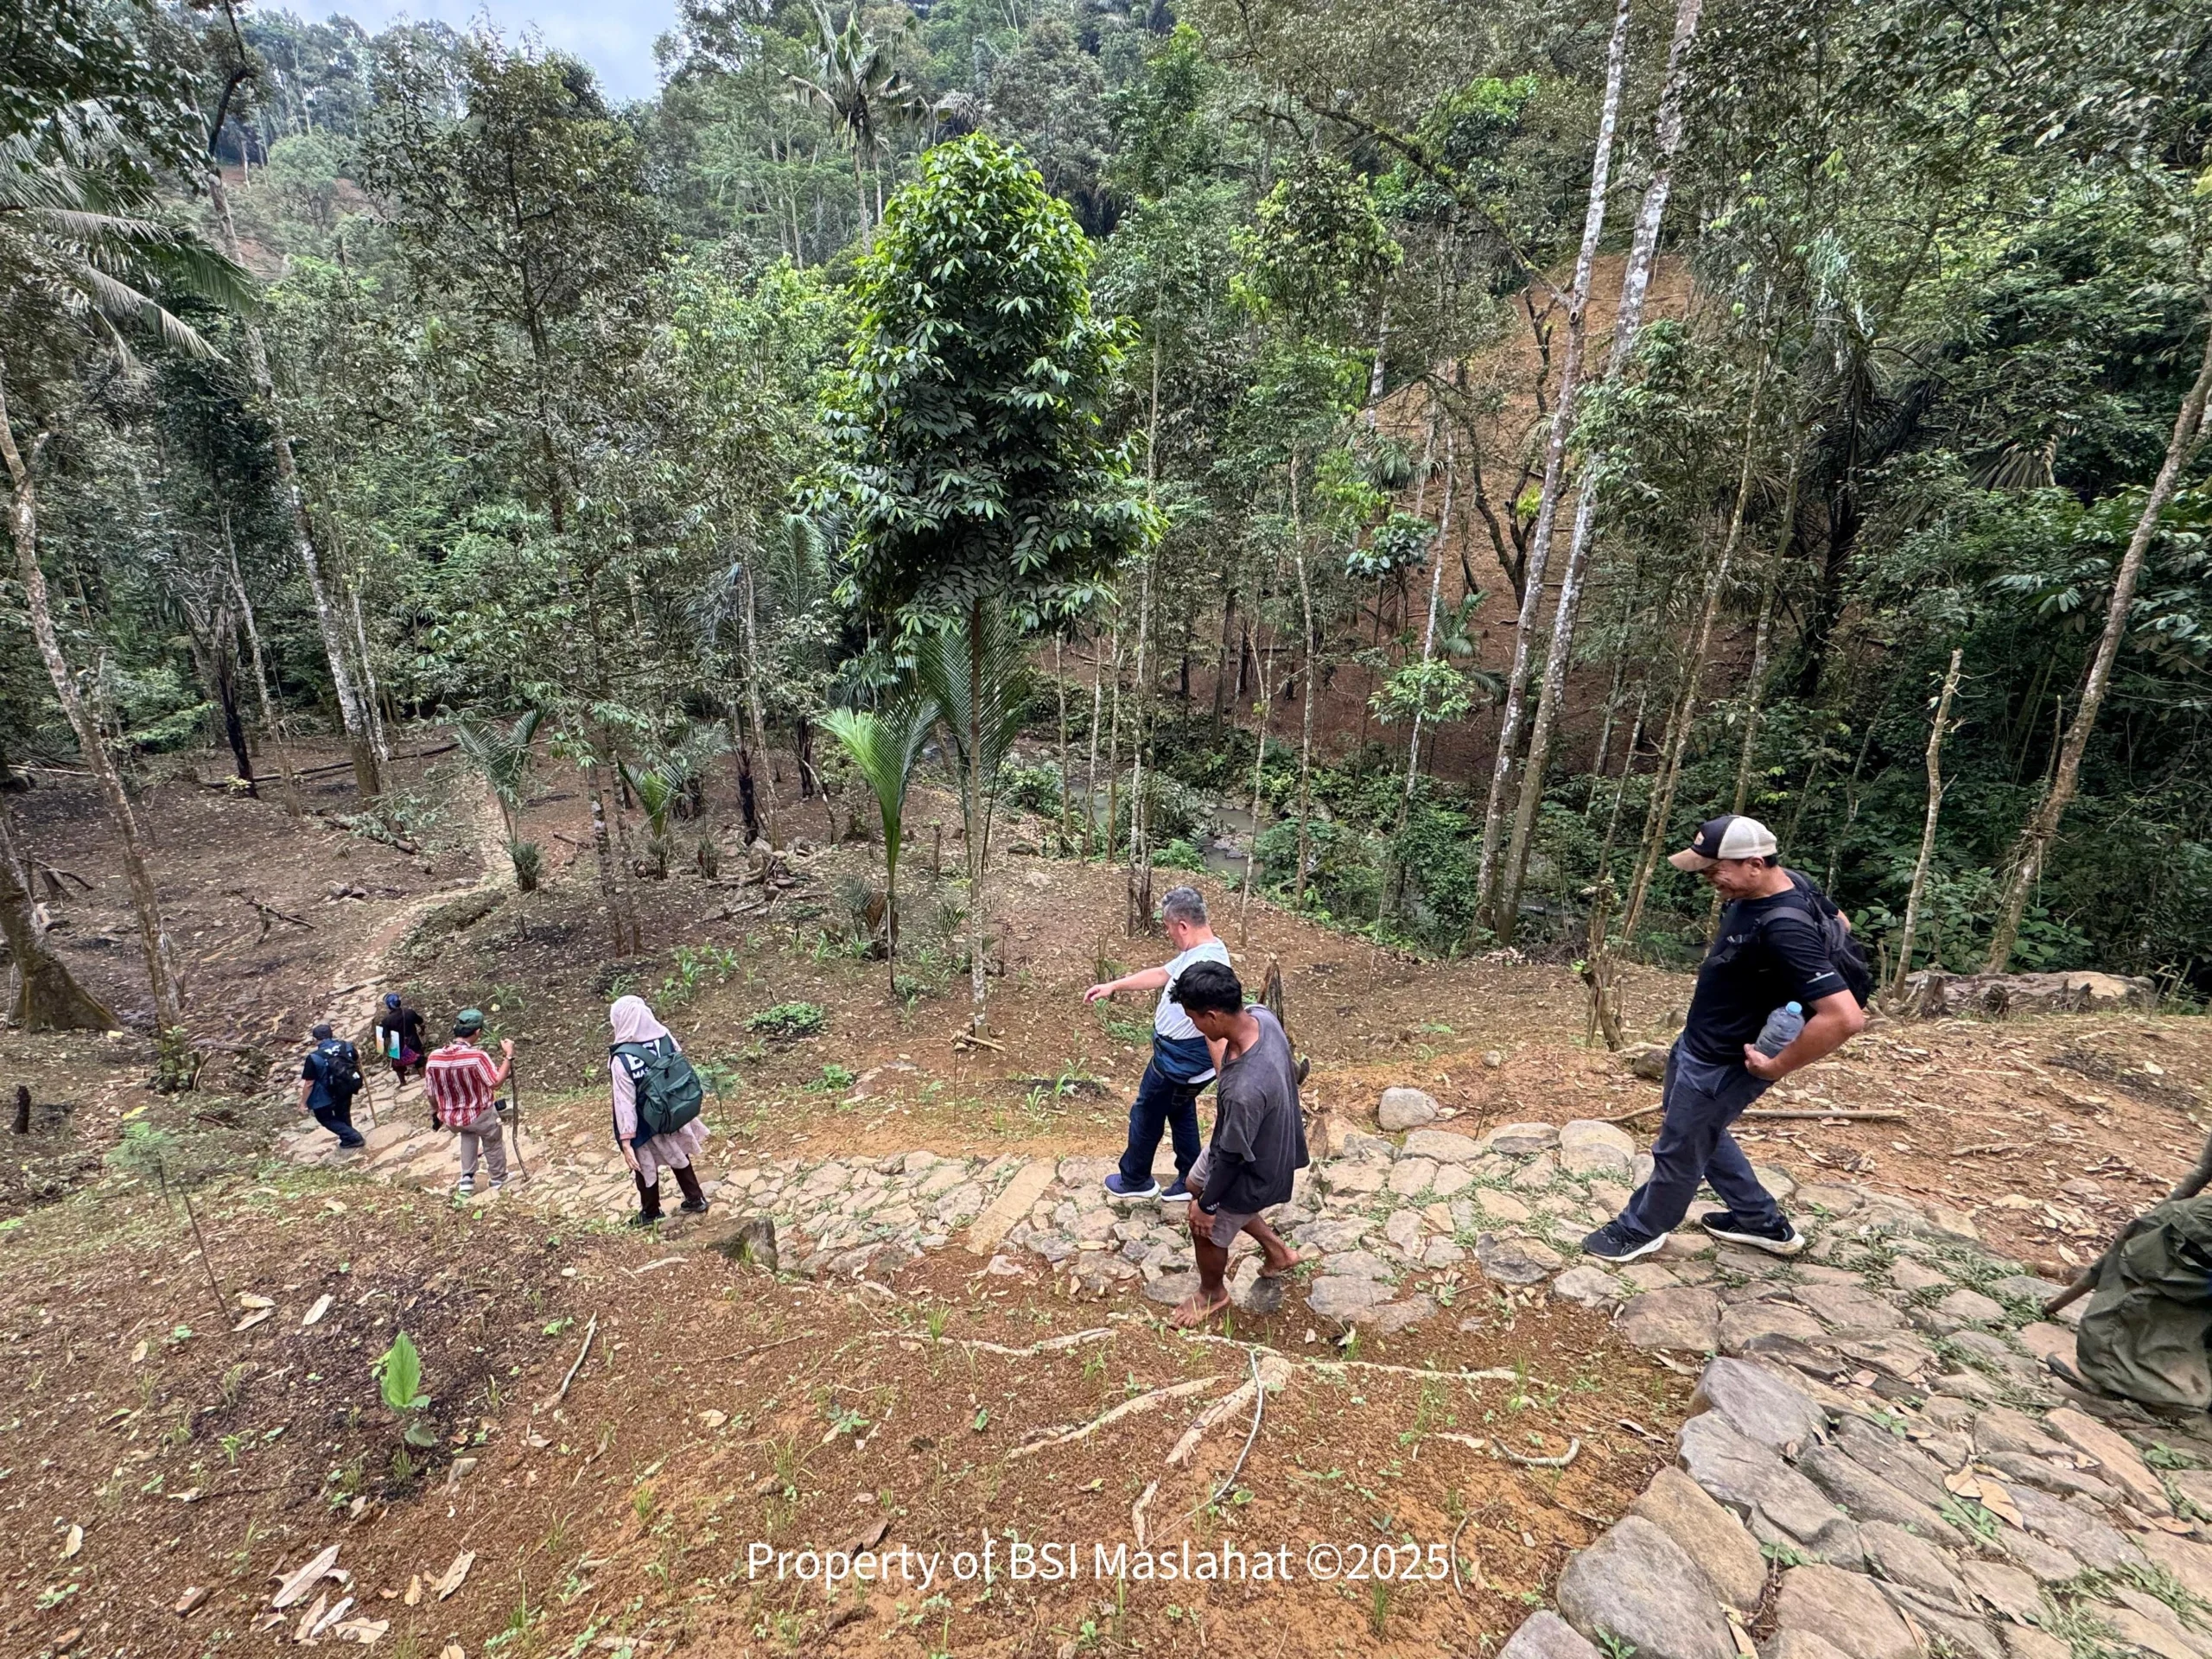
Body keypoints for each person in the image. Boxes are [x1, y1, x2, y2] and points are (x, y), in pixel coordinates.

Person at [1582, 815, 1868, 1264]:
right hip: (1700, 1041)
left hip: (1727, 1060)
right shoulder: (1789, 882)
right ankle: (1760, 1223)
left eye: (1716, 869)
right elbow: (1841, 924)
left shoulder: (1784, 927)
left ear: (1755, 863)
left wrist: (1777, 1064)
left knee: (1679, 1147)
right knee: (1696, 1130)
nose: (1708, 878)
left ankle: (1641, 1228)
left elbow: (1845, 1017)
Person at [1165, 961, 1308, 1326]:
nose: (1194, 1026)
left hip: (1251, 1162)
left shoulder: (1245, 1088)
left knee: (1203, 1223)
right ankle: (1279, 1253)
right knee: (1194, 1183)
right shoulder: (1262, 1018)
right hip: (1246, 1139)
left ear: (1212, 1016)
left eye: (1194, 1018)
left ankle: (1213, 1294)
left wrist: (1209, 1206)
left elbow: (1231, 1156)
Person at [1083, 886, 1230, 1203]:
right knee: (1180, 1111)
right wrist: (1114, 985)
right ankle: (1191, 1178)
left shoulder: (1205, 966)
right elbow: (1163, 973)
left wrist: (1226, 1085)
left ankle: (1135, 1178)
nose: (1168, 934)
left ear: (1183, 926)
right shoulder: (1203, 951)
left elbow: (1214, 1029)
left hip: (1180, 1062)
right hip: (1178, 1059)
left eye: (1167, 928)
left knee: (1146, 1113)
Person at [608, 995, 711, 1225]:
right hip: (673, 1108)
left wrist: (626, 1140)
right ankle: (695, 1198)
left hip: (645, 1122)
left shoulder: (622, 1059)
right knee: (678, 1154)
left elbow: (624, 1101)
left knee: (643, 1164)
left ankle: (651, 1211)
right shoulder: (665, 1038)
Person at [423, 1007, 514, 1197]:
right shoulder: (477, 1057)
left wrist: (436, 1112)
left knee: (467, 1136)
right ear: (478, 1032)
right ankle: (499, 1178)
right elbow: (495, 1082)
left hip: (453, 1119)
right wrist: (508, 1056)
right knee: (492, 1140)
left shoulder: (434, 1058)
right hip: (479, 1113)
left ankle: (466, 1180)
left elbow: (431, 1093)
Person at [296, 1022, 365, 1149]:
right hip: (347, 1084)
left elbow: (309, 1083)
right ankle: (348, 1139)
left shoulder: (314, 1057)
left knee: (325, 1118)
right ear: (331, 1034)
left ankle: (354, 1137)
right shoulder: (346, 1045)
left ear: (315, 1039)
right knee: (343, 1113)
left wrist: (303, 1103)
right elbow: (356, 1058)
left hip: (328, 1091)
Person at [372, 993, 427, 1084]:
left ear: (389, 1006)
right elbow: (421, 1023)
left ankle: (403, 1082)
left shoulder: (386, 1020)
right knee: (419, 1060)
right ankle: (423, 1077)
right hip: (413, 1041)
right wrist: (422, 1031)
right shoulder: (410, 1012)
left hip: (396, 1045)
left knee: (397, 1066)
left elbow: (384, 1038)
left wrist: (384, 1051)